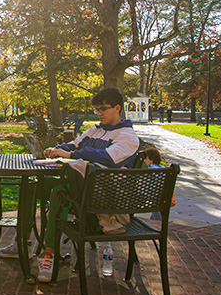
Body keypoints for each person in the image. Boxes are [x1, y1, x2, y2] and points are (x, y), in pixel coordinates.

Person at [21, 88, 141, 283]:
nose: (99, 113)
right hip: (80, 187)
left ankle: (49, 254)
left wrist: (73, 155)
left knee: (58, 192)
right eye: (96, 109)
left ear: (117, 108)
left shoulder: (127, 137)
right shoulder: (94, 130)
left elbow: (108, 157)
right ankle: (22, 243)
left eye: (103, 109)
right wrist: (58, 150)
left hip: (103, 197)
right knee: (31, 186)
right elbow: (74, 145)